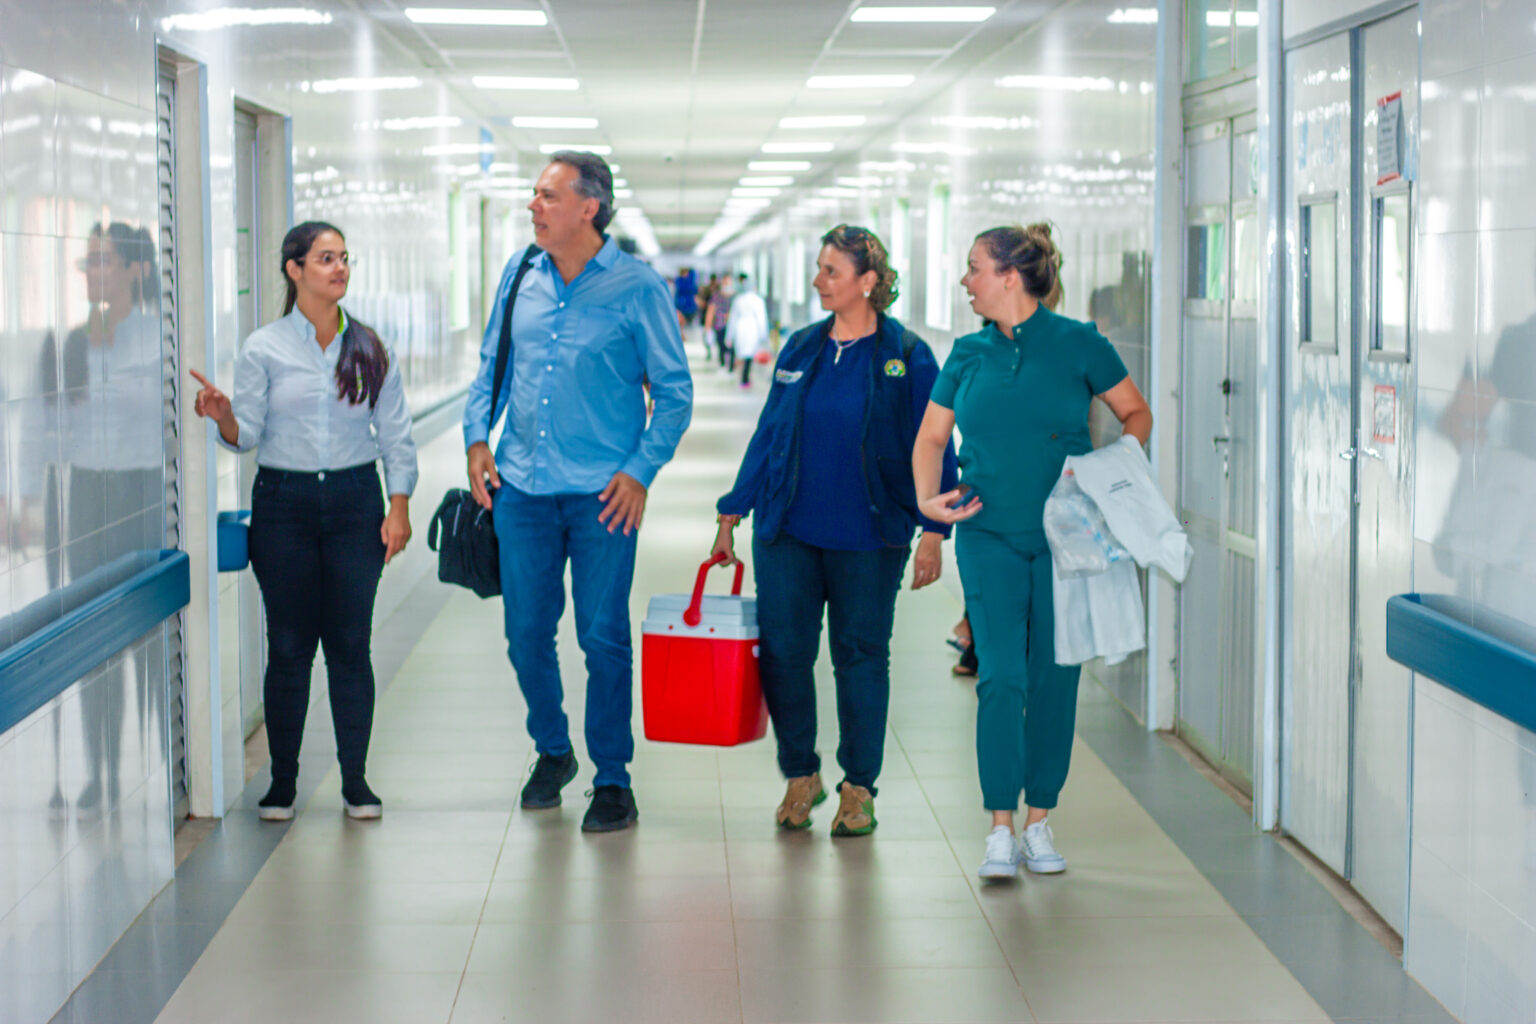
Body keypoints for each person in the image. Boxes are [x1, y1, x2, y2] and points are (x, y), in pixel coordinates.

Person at [912, 223, 1151, 880]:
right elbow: (932, 439)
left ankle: (1039, 820)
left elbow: (1136, 413)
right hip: (987, 535)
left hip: (1064, 538)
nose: (965, 281)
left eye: (974, 269)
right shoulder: (967, 354)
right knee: (1000, 677)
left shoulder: (1080, 345)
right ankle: (998, 826)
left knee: (1054, 677)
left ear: (1010, 277)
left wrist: (1110, 472)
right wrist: (928, 505)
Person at [464, 151, 692, 833]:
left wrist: (639, 471)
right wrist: (478, 439)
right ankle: (553, 748)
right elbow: (491, 367)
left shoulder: (636, 288)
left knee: (602, 638)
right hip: (522, 489)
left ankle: (613, 778)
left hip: (601, 497)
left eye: (547, 196)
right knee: (525, 633)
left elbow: (674, 395)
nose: (533, 207)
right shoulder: (519, 274)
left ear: (588, 208)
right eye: (534, 196)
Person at [713, 224, 958, 836]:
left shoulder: (907, 354)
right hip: (789, 530)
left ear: (868, 282)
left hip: (870, 538)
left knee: (862, 658)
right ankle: (802, 774)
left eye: (831, 271)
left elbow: (934, 443)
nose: (819, 281)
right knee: (786, 656)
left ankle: (858, 788)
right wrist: (731, 510)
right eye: (820, 269)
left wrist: (934, 529)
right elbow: (770, 432)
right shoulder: (801, 347)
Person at [189, 221, 418, 822]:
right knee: (288, 646)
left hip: (353, 504)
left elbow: (395, 434)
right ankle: (283, 784)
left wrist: (399, 505)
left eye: (344, 258)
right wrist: (222, 417)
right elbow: (251, 436)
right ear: (294, 270)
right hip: (283, 507)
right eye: (325, 258)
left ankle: (356, 783)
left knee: (349, 646)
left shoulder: (370, 346)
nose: (339, 268)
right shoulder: (265, 347)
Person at [39, 222, 160, 815]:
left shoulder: (158, 337)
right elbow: (51, 428)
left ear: (135, 270)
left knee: (148, 634)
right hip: (87, 493)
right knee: (93, 639)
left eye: (103, 261)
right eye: (87, 263)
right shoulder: (70, 343)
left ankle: (165, 762)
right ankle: (100, 770)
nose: (92, 273)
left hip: (142, 491)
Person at [726, 273, 768, 388]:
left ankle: (744, 377)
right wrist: (764, 336)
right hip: (752, 328)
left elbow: (732, 319)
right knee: (749, 354)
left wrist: (729, 336)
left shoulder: (738, 300)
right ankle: (745, 378)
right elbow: (762, 319)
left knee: (743, 353)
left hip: (740, 328)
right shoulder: (758, 300)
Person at [707, 275, 735, 369]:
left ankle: (731, 366)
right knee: (721, 345)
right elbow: (711, 311)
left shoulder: (735, 296)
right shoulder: (716, 296)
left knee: (732, 347)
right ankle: (722, 363)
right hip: (720, 325)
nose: (727, 285)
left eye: (729, 283)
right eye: (725, 283)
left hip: (732, 326)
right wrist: (708, 328)